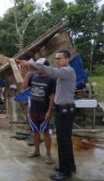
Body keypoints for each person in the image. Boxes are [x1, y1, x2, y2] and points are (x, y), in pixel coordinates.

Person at [17, 50, 77, 181]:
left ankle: (65, 172)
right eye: (55, 58)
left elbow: (50, 71)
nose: (56, 61)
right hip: (62, 109)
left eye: (59, 58)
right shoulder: (63, 73)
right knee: (65, 141)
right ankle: (69, 166)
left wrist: (30, 63)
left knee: (63, 142)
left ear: (67, 59)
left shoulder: (67, 71)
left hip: (65, 110)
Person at [22, 58, 56, 165]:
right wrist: (27, 75)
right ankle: (36, 151)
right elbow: (23, 87)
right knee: (35, 131)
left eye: (38, 67)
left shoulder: (51, 79)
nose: (36, 68)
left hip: (44, 111)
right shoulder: (33, 76)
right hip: (33, 110)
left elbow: (52, 97)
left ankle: (48, 154)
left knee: (46, 132)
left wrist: (49, 112)